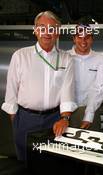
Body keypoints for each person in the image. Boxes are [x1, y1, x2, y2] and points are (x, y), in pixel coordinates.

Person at [1, 11, 77, 161]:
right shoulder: (20, 56)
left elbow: (67, 92)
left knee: (51, 162)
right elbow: (11, 91)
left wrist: (65, 118)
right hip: (25, 119)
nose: (47, 33)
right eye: (42, 28)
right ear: (35, 31)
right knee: (25, 162)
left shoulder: (66, 58)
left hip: (55, 120)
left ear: (57, 33)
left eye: (52, 28)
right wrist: (16, 120)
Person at [67, 22, 103, 130]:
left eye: (87, 37)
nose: (83, 41)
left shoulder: (101, 60)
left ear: (92, 39)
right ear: (74, 38)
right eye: (79, 37)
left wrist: (89, 115)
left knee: (92, 146)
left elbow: (99, 88)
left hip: (92, 112)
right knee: (68, 146)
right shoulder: (65, 57)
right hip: (67, 112)